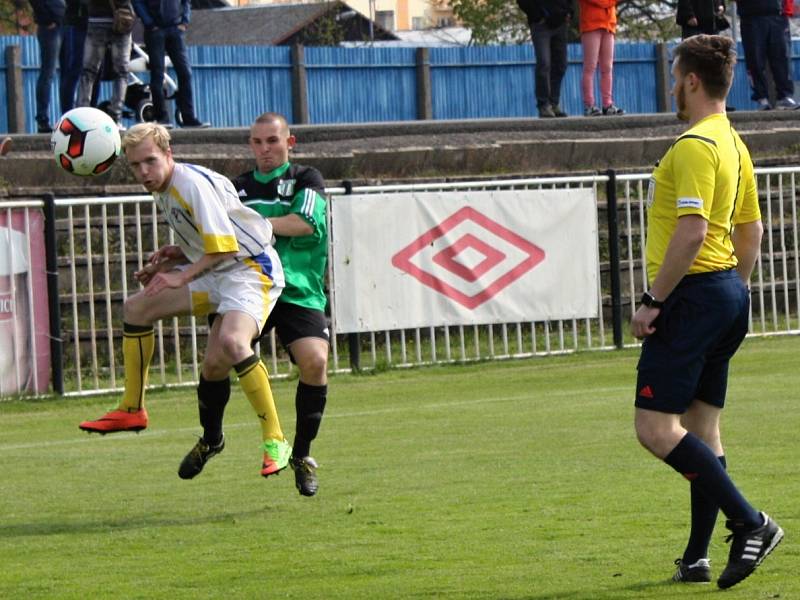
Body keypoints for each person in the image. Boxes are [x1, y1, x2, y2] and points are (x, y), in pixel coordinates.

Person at [632, 35, 783, 590]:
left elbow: (692, 232)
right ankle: (697, 556)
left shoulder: (695, 144)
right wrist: (733, 294)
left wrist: (655, 302)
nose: (673, 85)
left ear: (691, 80)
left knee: (654, 428)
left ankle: (752, 522)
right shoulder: (733, 142)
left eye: (676, 76)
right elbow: (752, 231)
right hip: (725, 294)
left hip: (695, 295)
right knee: (703, 429)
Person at [78, 122, 291, 479]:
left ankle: (276, 439)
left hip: (251, 271)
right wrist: (175, 255)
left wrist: (181, 274)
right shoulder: (163, 186)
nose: (143, 172)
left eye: (150, 161)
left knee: (232, 342)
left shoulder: (189, 184)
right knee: (137, 308)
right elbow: (211, 239)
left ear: (168, 154)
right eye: (135, 165)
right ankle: (133, 407)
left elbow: (225, 245)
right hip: (218, 270)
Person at [227, 112, 330, 497]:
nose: (265, 149)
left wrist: (253, 225)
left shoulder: (307, 179)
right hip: (251, 286)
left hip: (297, 289)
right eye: (257, 142)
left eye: (272, 140)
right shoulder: (235, 187)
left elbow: (303, 222)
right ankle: (211, 437)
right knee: (216, 361)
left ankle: (301, 454)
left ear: (290, 142)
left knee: (316, 361)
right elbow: (219, 230)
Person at [131, 0, 210, 128]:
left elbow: (186, 2)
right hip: (155, 31)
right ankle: (162, 118)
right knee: (157, 75)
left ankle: (188, 118)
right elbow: (137, 2)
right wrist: (149, 23)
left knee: (185, 73)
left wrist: (184, 21)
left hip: (175, 29)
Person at [76, 0, 133, 129]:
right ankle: (115, 117)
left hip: (97, 20)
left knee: (88, 72)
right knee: (121, 73)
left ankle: (81, 117)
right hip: (122, 19)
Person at [516, 0, 574, 118]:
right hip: (541, 25)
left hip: (560, 23)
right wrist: (537, 15)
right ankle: (543, 105)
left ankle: (554, 103)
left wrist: (569, 12)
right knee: (544, 63)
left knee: (560, 65)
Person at [737, 0, 798, 110]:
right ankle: (761, 97)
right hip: (751, 16)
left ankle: (785, 96)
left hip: (777, 15)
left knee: (782, 57)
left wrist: (787, 10)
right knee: (755, 59)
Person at [578, 0, 624, 116]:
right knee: (590, 66)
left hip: (609, 25)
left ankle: (607, 104)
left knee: (607, 67)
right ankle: (589, 105)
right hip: (591, 24)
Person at [29, 0, 66, 133]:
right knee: (48, 73)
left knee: (68, 74)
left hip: (67, 22)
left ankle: (69, 120)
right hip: (51, 25)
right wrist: (45, 18)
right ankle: (42, 119)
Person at [59, 0, 89, 113]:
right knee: (73, 70)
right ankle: (67, 113)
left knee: (94, 72)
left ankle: (91, 110)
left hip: (97, 21)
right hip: (76, 23)